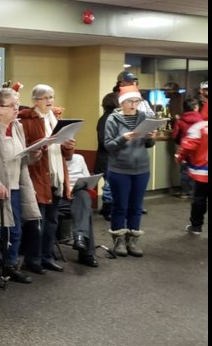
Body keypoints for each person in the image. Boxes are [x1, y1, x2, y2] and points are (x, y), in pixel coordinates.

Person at [0, 87, 42, 287]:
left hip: (15, 184)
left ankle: (11, 265)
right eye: (11, 106)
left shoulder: (17, 126)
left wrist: (33, 156)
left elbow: (19, 158)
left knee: (16, 229)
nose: (16, 109)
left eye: (17, 104)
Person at [17, 84, 75, 274]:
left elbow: (66, 155)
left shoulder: (55, 119)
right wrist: (40, 145)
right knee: (37, 223)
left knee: (52, 221)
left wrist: (68, 146)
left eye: (52, 97)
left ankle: (47, 256)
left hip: (56, 176)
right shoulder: (26, 120)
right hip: (37, 175)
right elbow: (23, 149)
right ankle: (32, 260)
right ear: (35, 100)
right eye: (45, 97)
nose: (50, 101)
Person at [104, 84, 156, 256]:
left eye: (137, 101)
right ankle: (119, 241)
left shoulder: (144, 118)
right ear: (122, 103)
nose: (133, 105)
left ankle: (132, 240)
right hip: (119, 169)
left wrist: (150, 138)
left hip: (141, 168)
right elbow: (109, 146)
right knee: (120, 206)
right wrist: (123, 138)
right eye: (129, 101)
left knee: (136, 206)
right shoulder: (112, 119)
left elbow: (147, 145)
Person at [60, 152, 100, 267]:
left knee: (83, 196)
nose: (70, 149)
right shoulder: (54, 160)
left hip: (76, 197)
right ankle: (86, 253)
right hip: (59, 199)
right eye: (67, 146)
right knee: (87, 211)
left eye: (72, 146)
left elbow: (88, 181)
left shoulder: (79, 158)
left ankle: (80, 238)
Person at [176, 117, 208, 235]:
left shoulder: (200, 127)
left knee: (199, 199)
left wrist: (179, 157)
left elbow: (187, 145)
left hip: (203, 171)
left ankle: (196, 226)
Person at [95, 92, 121, 220]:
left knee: (110, 184)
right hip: (108, 158)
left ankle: (107, 208)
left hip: (105, 158)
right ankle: (108, 210)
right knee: (110, 185)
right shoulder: (109, 119)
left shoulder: (105, 118)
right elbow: (106, 141)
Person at [172, 97, 203, 198]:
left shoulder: (180, 120)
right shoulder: (202, 120)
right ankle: (196, 193)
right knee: (199, 171)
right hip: (199, 151)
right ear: (195, 107)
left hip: (185, 150)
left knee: (185, 171)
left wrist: (181, 142)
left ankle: (185, 192)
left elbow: (175, 136)